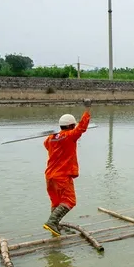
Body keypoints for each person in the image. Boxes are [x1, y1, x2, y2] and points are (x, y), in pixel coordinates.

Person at [43, 99, 92, 236]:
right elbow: (81, 128)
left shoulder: (50, 139)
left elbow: (46, 145)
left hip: (50, 176)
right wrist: (87, 109)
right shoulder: (69, 136)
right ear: (71, 126)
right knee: (69, 201)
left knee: (56, 202)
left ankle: (54, 227)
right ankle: (52, 222)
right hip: (62, 176)